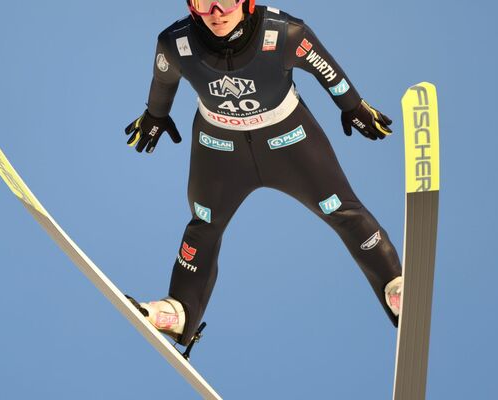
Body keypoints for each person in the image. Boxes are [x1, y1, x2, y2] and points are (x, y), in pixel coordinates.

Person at [125, 0, 403, 346]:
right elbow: (163, 79)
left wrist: (353, 106)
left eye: (225, 1)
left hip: (290, 143)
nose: (216, 12)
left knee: (342, 210)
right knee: (203, 224)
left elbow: (326, 70)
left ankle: (395, 286)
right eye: (202, 2)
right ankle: (178, 312)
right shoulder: (174, 42)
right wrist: (155, 114)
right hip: (219, 149)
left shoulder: (286, 32)